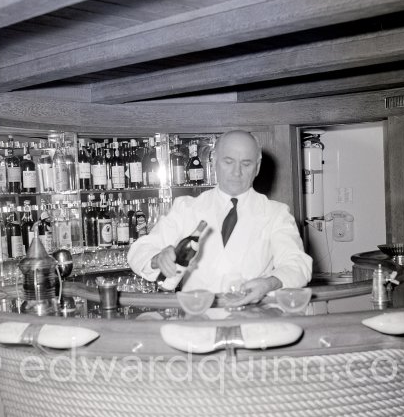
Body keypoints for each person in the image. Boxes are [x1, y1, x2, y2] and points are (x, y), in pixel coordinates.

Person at [127, 130, 312, 305]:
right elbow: (139, 250)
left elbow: (297, 264)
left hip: (253, 320)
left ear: (258, 166)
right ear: (214, 161)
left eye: (246, 163)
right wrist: (157, 259)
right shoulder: (187, 208)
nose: (236, 172)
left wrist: (269, 284)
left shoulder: (276, 214)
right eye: (228, 162)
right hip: (198, 320)